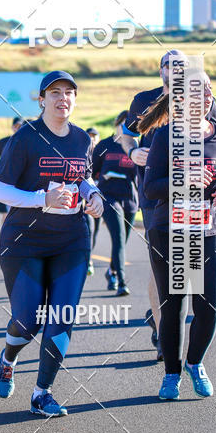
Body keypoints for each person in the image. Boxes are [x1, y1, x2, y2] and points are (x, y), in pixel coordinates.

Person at [0, 71, 104, 417]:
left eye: (69, 92)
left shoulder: (81, 138)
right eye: (55, 92)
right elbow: (0, 191)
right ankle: (8, 358)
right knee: (27, 322)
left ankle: (42, 393)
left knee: (62, 317)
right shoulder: (25, 137)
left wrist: (93, 193)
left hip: (71, 240)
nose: (63, 98)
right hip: (24, 240)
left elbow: (80, 177)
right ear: (42, 99)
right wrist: (43, 198)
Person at [118, 49, 216, 357]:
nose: (174, 69)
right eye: (168, 64)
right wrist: (131, 152)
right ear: (160, 69)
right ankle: (167, 332)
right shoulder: (143, 100)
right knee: (161, 264)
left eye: (180, 65)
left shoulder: (202, 98)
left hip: (193, 195)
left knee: (188, 262)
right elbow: (124, 135)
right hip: (155, 191)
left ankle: (170, 326)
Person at [142, 72, 216, 400]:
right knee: (174, 306)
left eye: (209, 90)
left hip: (209, 229)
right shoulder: (166, 136)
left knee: (210, 307)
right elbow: (151, 188)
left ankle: (194, 363)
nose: (206, 96)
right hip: (170, 229)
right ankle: (171, 374)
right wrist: (184, 180)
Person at [92, 111, 137, 296]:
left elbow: (141, 176)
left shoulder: (135, 147)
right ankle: (121, 281)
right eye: (125, 124)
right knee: (118, 237)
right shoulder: (104, 145)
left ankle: (111, 271)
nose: (128, 128)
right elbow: (91, 171)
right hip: (108, 197)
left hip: (130, 199)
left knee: (122, 242)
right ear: (117, 124)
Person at [0, 117, 25, 221]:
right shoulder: (4, 141)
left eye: (21, 126)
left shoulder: (27, 141)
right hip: (6, 181)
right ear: (12, 127)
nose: (18, 128)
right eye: (17, 126)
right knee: (6, 214)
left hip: (21, 183)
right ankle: (5, 236)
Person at [85, 127, 101, 275]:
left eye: (94, 136)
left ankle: (89, 255)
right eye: (89, 136)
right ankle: (87, 260)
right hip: (86, 197)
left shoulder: (102, 151)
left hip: (99, 196)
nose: (92, 138)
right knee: (89, 229)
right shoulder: (84, 151)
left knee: (95, 230)